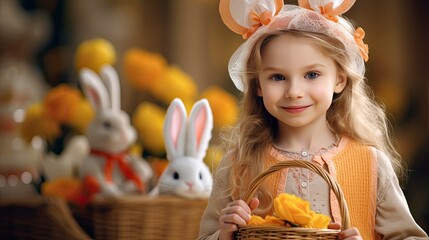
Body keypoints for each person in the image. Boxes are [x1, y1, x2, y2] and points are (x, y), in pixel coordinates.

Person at [199, 0, 428, 239]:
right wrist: (224, 234)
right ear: (258, 85)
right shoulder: (237, 165)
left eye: (311, 74)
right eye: (277, 77)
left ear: (339, 79)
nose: (294, 91)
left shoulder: (371, 164)